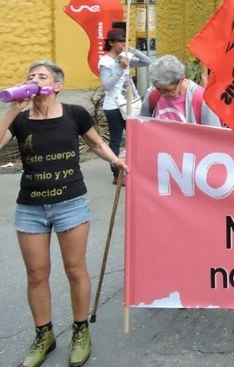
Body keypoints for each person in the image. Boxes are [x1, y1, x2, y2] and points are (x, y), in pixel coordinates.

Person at [1, 60, 127, 367]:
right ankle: (43, 334)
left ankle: (80, 330)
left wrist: (117, 161)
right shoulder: (20, 119)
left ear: (57, 86)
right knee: (36, 274)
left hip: (70, 203)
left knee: (75, 269)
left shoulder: (75, 113)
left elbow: (95, 144)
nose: (34, 79)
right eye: (31, 76)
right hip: (31, 207)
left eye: (42, 76)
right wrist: (12, 110)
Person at [98, 27, 150, 184]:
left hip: (129, 103)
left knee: (135, 137)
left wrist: (132, 50)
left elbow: (147, 62)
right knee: (116, 139)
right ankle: (117, 174)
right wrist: (120, 69)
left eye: (124, 41)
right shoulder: (105, 62)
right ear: (111, 42)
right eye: (120, 41)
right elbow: (107, 85)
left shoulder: (124, 57)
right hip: (114, 105)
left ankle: (136, 169)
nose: (123, 44)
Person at [139, 55, 222, 126]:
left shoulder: (201, 98)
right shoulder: (153, 94)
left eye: (168, 90)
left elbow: (213, 135)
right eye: (159, 89)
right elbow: (143, 125)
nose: (163, 95)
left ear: (181, 79)